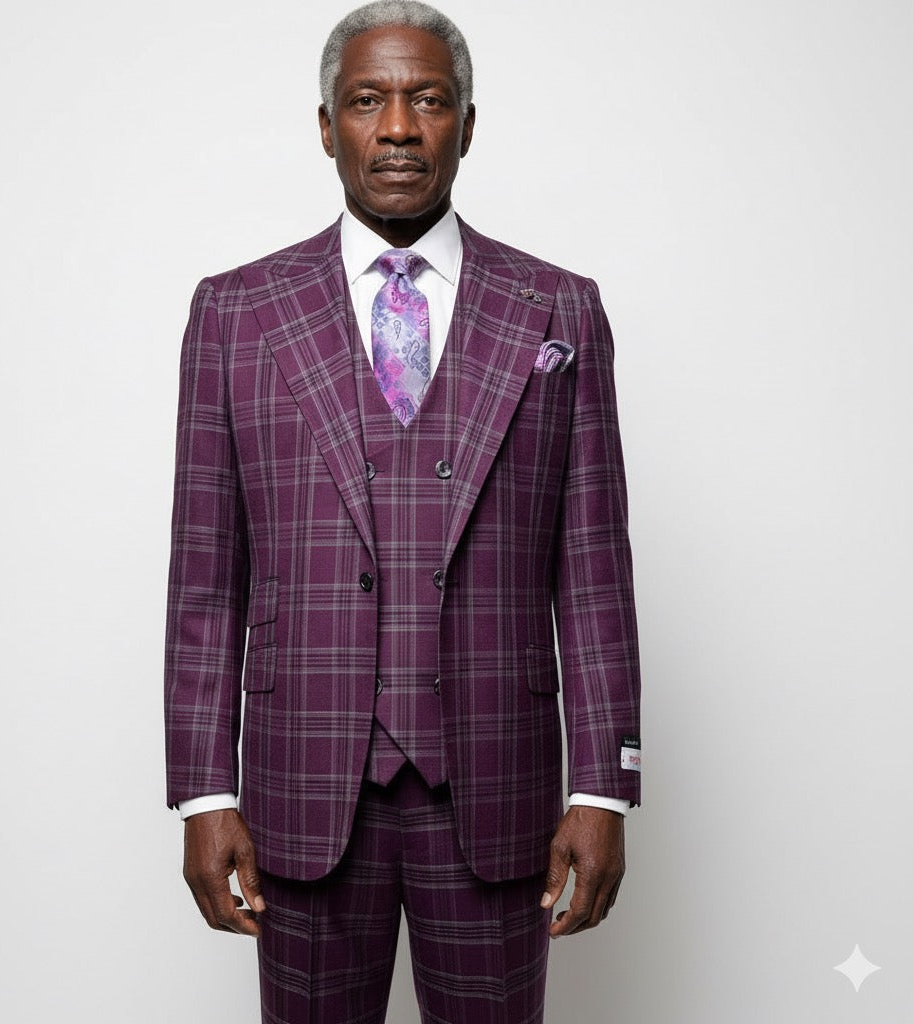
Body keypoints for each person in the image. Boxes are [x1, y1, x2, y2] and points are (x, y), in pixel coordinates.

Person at [164, 2, 641, 1021]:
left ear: (466, 124)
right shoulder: (234, 314)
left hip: (498, 794)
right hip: (302, 793)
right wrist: (205, 793)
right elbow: (205, 579)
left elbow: (592, 567)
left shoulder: (559, 311)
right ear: (326, 123)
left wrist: (603, 784)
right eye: (368, 99)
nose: (396, 127)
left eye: (427, 100)